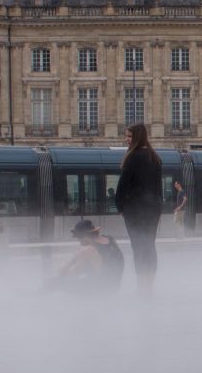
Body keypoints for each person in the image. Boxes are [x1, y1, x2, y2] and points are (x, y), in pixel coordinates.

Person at [113, 123, 163, 293]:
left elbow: (123, 184)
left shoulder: (133, 157)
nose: (126, 140)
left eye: (128, 136)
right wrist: (158, 206)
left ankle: (141, 283)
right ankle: (149, 282)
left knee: (138, 246)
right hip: (153, 209)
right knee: (149, 245)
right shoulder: (155, 157)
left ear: (137, 137)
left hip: (135, 209)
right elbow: (158, 187)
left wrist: (119, 205)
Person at [55, 218, 124, 294]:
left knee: (55, 283)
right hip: (114, 289)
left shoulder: (88, 250)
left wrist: (63, 269)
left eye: (78, 237)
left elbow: (72, 273)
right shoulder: (110, 239)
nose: (79, 241)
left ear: (84, 236)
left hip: (99, 292)